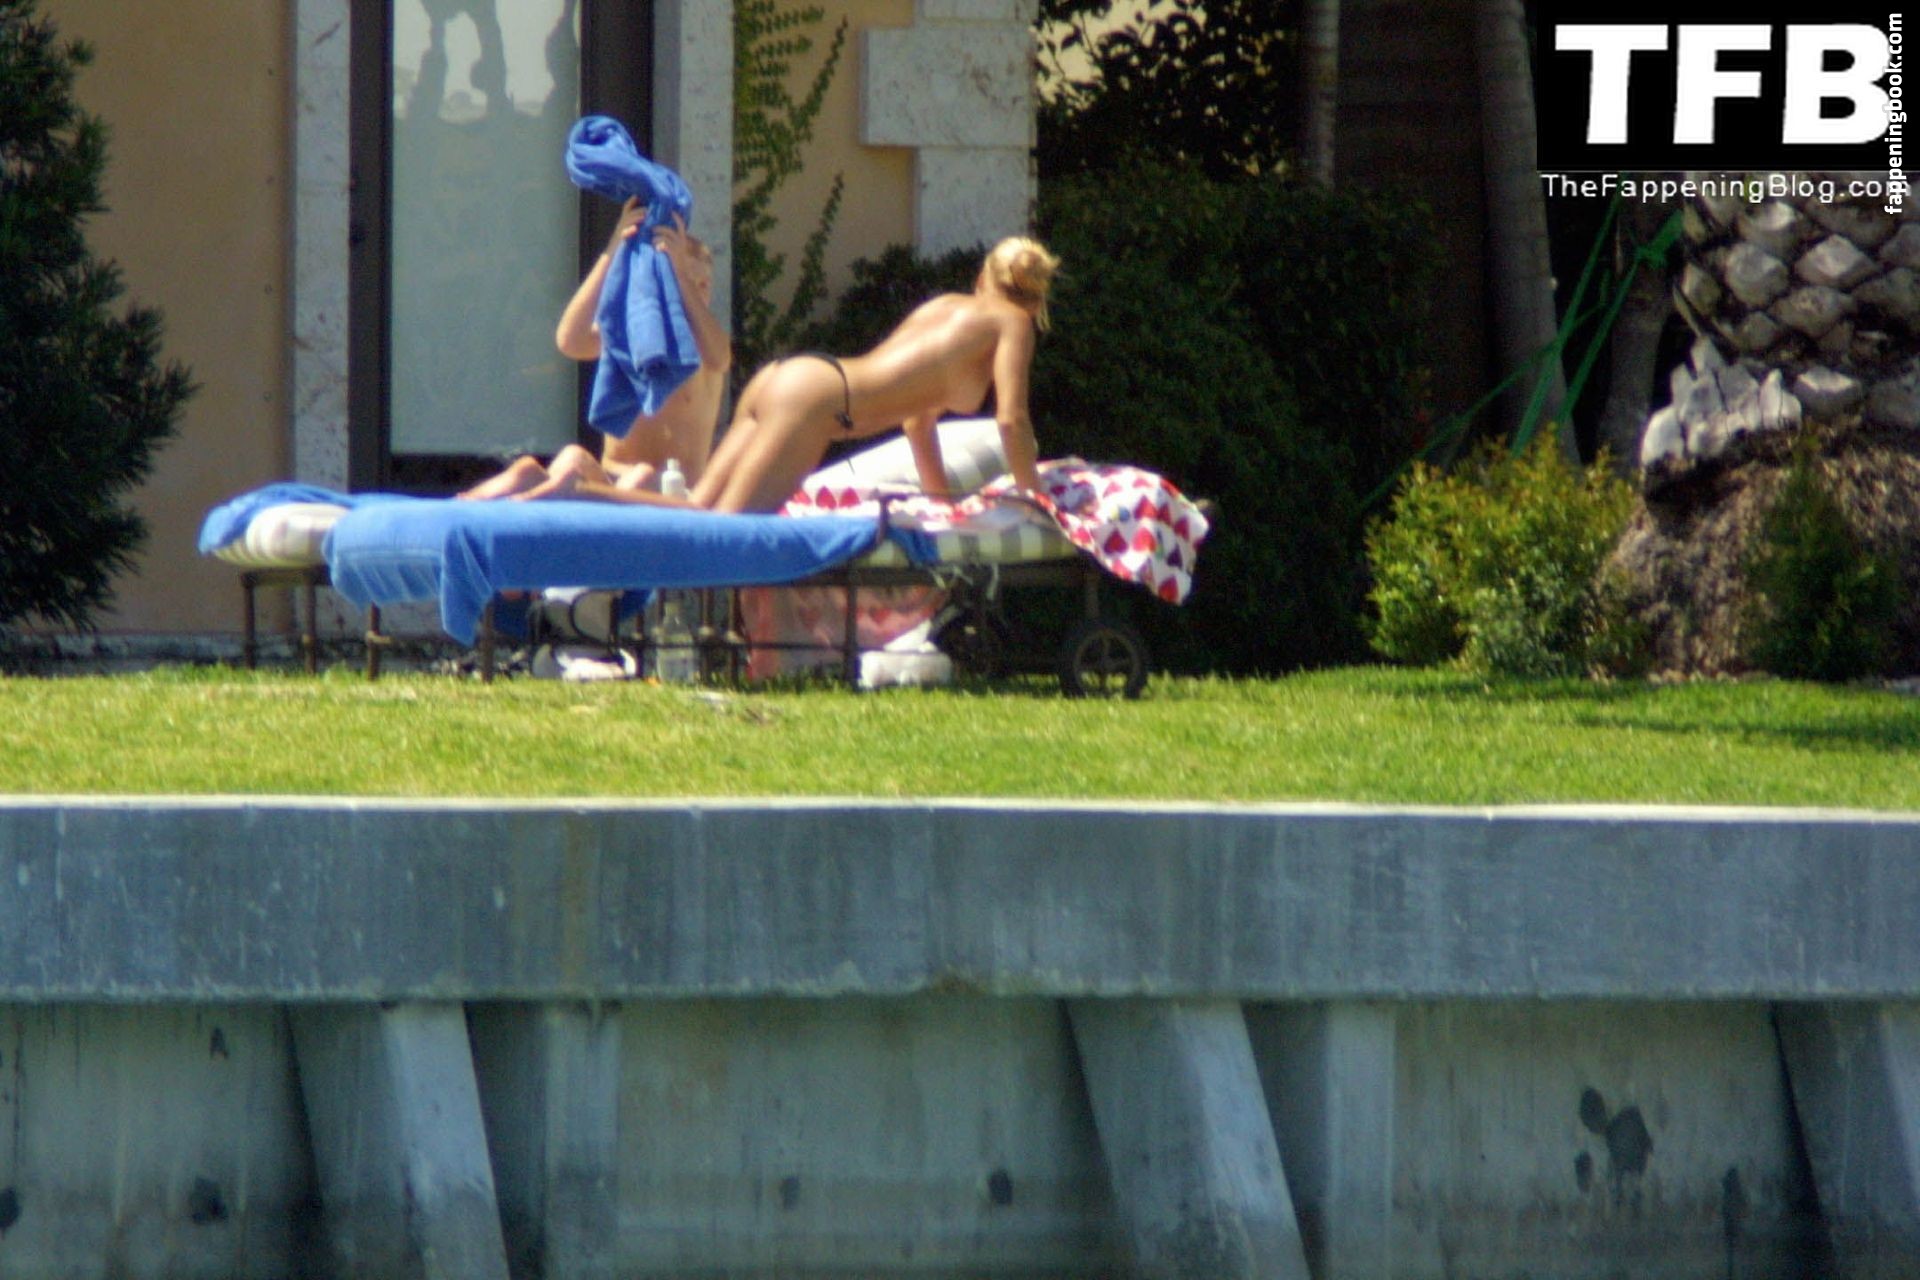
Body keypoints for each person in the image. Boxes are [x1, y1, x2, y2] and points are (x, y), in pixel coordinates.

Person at [521, 235, 1061, 513]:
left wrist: (942, 508)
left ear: (983, 276)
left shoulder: (946, 309)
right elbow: (1011, 421)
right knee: (722, 530)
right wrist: (1036, 501)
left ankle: (582, 491)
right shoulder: (1013, 322)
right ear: (1036, 299)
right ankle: (580, 493)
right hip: (818, 403)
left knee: (700, 508)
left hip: (793, 377)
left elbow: (918, 422)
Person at [458, 198, 730, 501]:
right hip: (612, 480)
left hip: (671, 490)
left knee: (642, 476)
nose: (697, 290)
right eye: (684, 280)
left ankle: (547, 498)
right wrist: (613, 250)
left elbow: (720, 357)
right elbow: (570, 340)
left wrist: (680, 274)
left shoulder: (700, 343)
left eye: (703, 284)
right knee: (563, 460)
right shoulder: (630, 333)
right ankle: (465, 509)